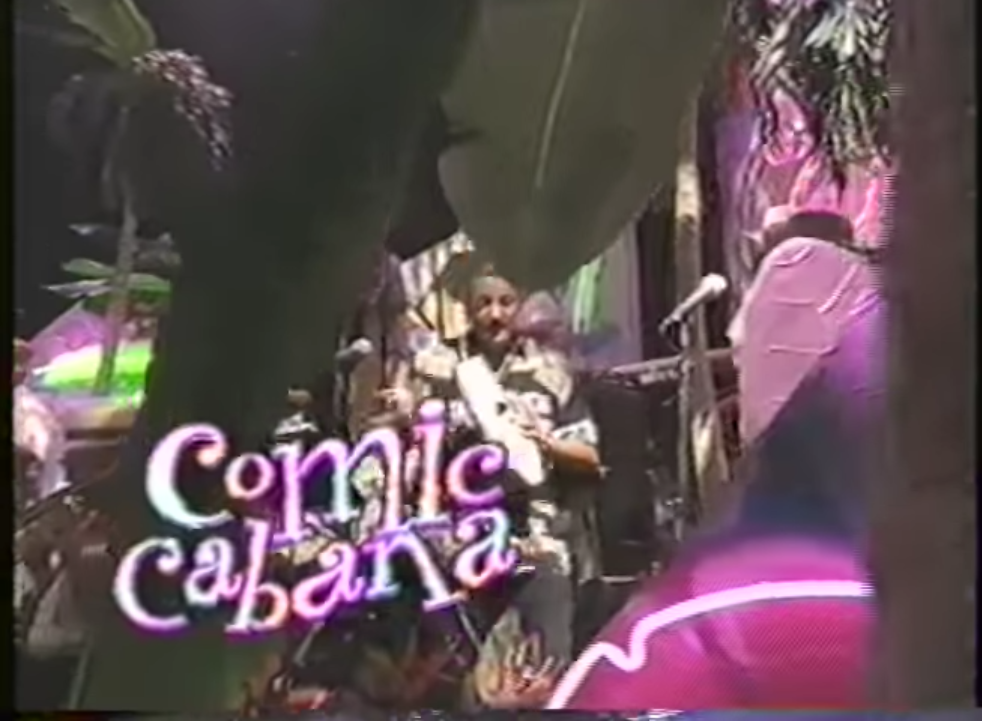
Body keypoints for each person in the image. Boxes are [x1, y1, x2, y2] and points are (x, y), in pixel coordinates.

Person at [377, 268, 604, 708]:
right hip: (459, 548)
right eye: (484, 304)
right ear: (467, 308)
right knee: (465, 691)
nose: (495, 315)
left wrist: (546, 443)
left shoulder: (550, 373)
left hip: (537, 543)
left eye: (505, 302)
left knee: (541, 686)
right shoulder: (437, 372)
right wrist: (402, 417)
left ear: (520, 307)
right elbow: (403, 442)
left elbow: (590, 457)